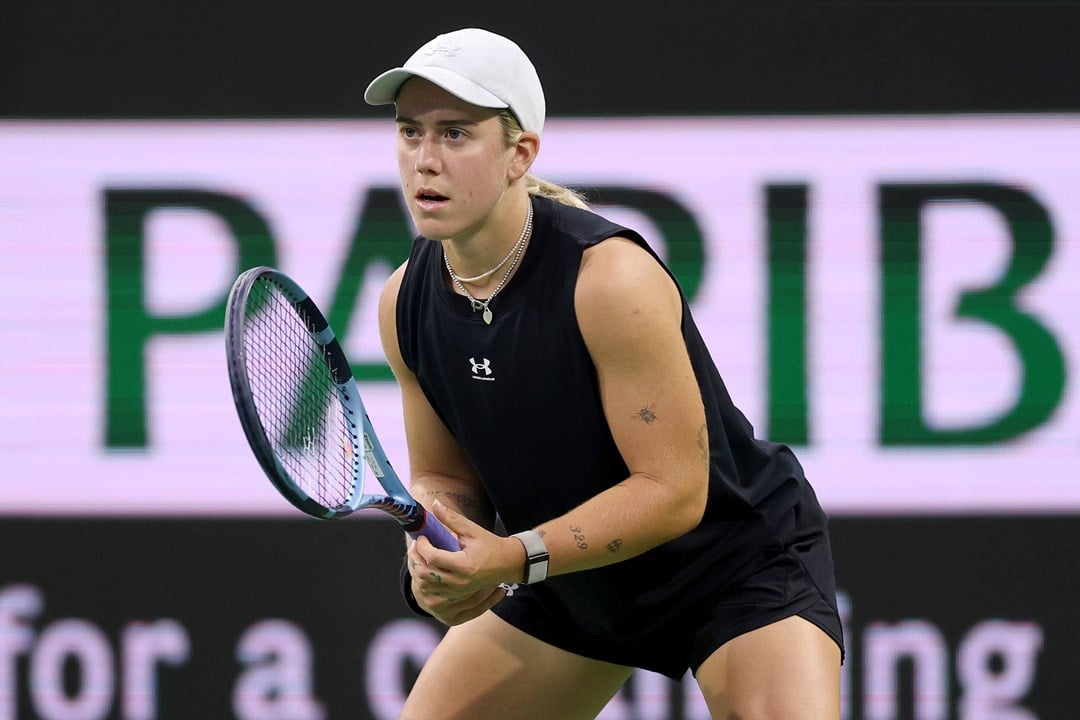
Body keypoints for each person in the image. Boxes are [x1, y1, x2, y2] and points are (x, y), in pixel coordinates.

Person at [365, 27, 844, 719]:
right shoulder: (403, 302)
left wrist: (512, 559)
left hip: (730, 566)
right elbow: (448, 477)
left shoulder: (609, 278)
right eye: (411, 133)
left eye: (456, 134)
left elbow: (674, 490)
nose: (425, 161)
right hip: (573, 580)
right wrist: (445, 545)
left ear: (518, 154)